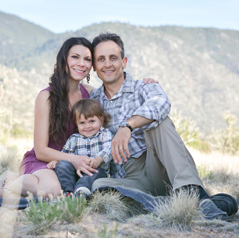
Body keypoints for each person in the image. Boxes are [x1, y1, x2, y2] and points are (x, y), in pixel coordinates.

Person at [89, 32, 234, 220]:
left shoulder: (145, 87)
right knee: (98, 186)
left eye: (113, 58)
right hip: (128, 177)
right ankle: (185, 204)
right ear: (94, 66)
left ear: (124, 62)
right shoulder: (93, 100)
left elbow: (161, 103)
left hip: (156, 166)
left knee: (159, 121)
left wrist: (128, 126)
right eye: (101, 59)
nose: (107, 64)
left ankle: (192, 192)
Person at [0, 37, 98, 198]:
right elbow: (41, 151)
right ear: (63, 60)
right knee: (52, 190)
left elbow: (116, 96)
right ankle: (5, 185)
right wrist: (73, 159)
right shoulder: (46, 97)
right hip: (44, 161)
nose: (81, 63)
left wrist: (147, 83)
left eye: (87, 59)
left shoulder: (91, 94)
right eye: (75, 57)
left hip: (70, 164)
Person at [47, 98, 112, 197]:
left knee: (94, 172)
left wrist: (98, 159)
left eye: (91, 121)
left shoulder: (104, 134)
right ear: (76, 124)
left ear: (101, 120)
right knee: (63, 165)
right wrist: (56, 161)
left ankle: (81, 191)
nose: (87, 126)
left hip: (96, 171)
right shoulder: (74, 138)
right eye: (82, 123)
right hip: (77, 172)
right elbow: (65, 153)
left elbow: (109, 149)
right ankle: (68, 192)